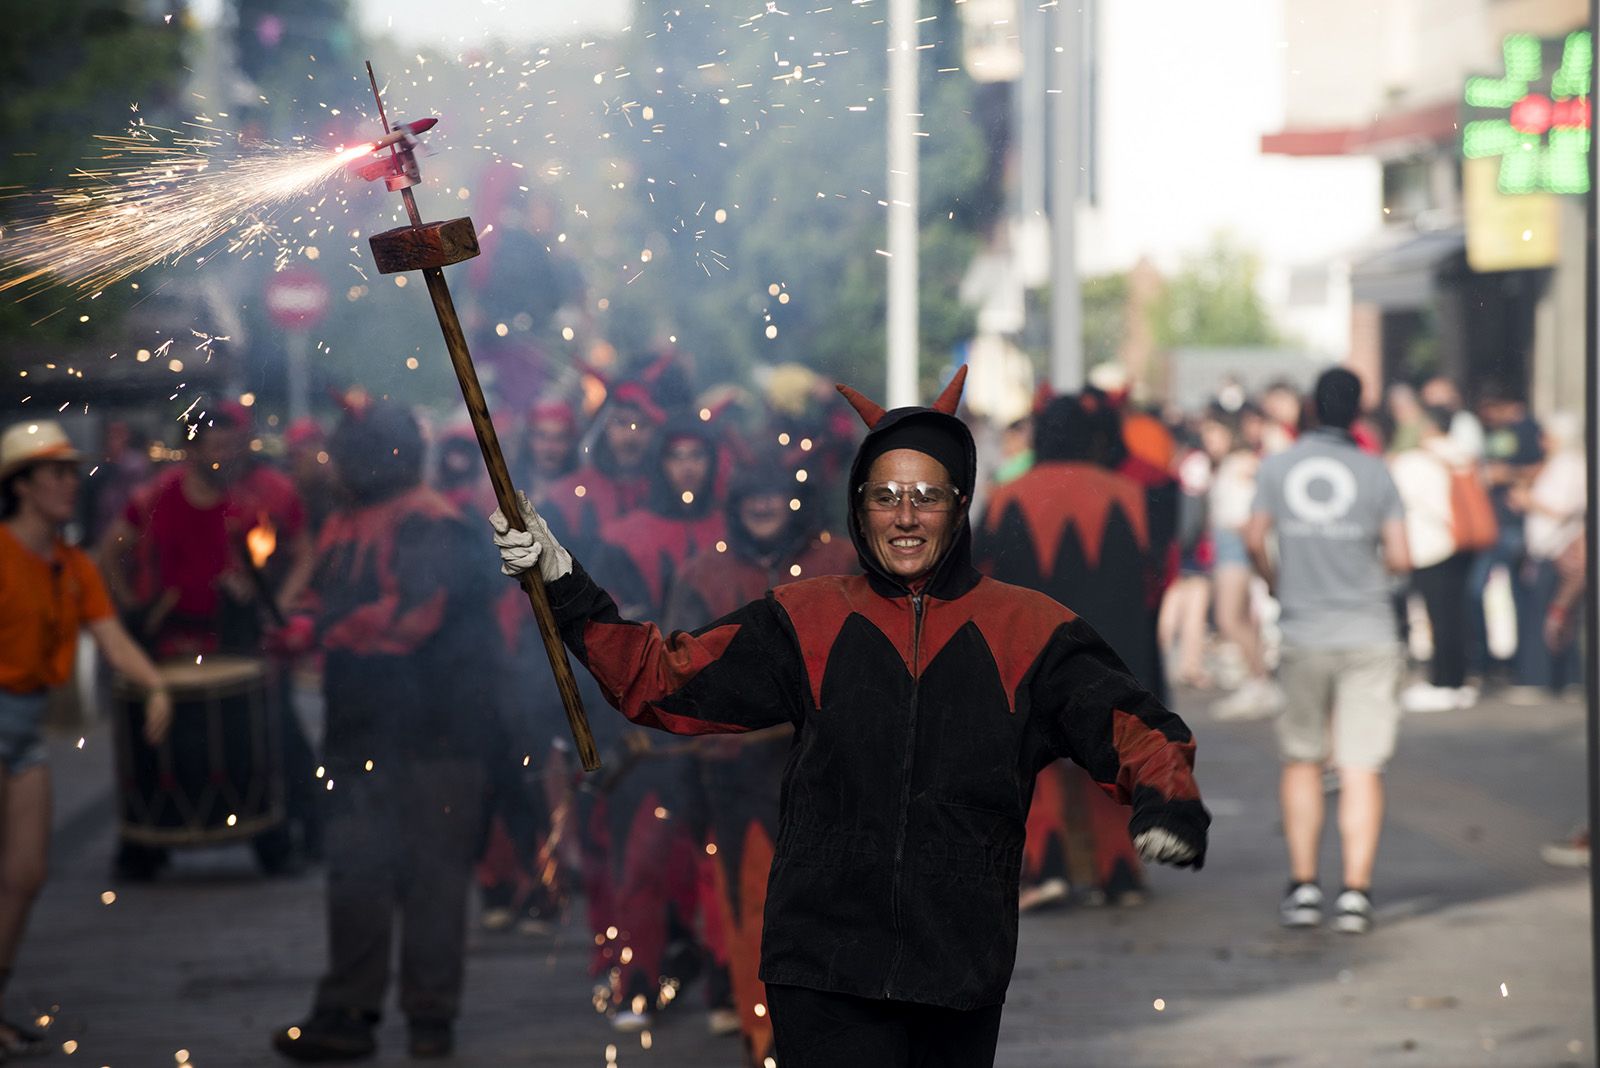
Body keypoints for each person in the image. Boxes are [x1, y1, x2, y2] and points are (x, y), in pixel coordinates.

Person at [491, 369, 1209, 1066]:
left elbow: (1132, 724)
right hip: (821, 962)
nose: (904, 517)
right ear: (858, 508)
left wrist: (1168, 798)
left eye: (926, 496)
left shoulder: (1028, 628)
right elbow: (659, 678)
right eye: (884, 496)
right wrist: (562, 582)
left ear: (960, 505)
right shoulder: (807, 616)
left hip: (958, 962)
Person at [272, 400, 500, 1062]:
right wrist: (297, 623)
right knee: (357, 873)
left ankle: (431, 1018)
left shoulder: (437, 524)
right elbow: (323, 594)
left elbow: (413, 615)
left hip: (442, 734)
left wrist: (316, 632)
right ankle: (348, 1011)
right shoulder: (342, 524)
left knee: (432, 879)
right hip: (360, 731)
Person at [663, 455, 857, 1061]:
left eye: (775, 493)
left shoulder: (843, 561)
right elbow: (681, 673)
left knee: (842, 904)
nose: (765, 506)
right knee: (757, 907)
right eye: (753, 496)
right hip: (740, 775)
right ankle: (769, 1039)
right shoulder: (704, 573)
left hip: (839, 767)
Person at [0, 420, 171, 1055]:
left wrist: (153, 682)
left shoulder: (72, 565)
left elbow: (111, 636)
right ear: (20, 487)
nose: (70, 484)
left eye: (73, 472)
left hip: (26, 728)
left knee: (26, 873)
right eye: (55, 473)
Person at [99, 402, 320, 876]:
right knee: (160, 740)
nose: (224, 457)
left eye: (232, 446)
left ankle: (286, 835)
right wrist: (133, 610)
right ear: (191, 449)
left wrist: (276, 603)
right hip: (172, 641)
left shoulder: (271, 493)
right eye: (214, 446)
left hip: (244, 638)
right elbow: (110, 551)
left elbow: (305, 553)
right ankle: (146, 844)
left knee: (273, 732)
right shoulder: (157, 495)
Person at [976, 393, 1170, 909]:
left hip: (1030, 651)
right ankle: (1120, 875)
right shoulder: (1129, 494)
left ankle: (1048, 868)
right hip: (1112, 654)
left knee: (1035, 764)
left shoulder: (1006, 497)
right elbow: (1152, 579)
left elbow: (978, 575)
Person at [1244, 367, 1410, 935]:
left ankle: (1304, 887)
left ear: (1312, 407)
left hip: (1304, 631)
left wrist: (1274, 580)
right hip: (1369, 631)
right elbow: (1402, 555)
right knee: (1362, 764)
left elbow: (1251, 535)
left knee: (1302, 759)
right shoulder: (1376, 471)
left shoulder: (1277, 466)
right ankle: (1357, 894)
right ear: (1359, 411)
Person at [1388, 407, 1483, 712]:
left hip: (1430, 546)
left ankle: (1443, 682)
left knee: (1437, 617)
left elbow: (1397, 498)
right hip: (1462, 541)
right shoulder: (1461, 455)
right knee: (1455, 615)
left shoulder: (1413, 461)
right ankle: (1458, 680)